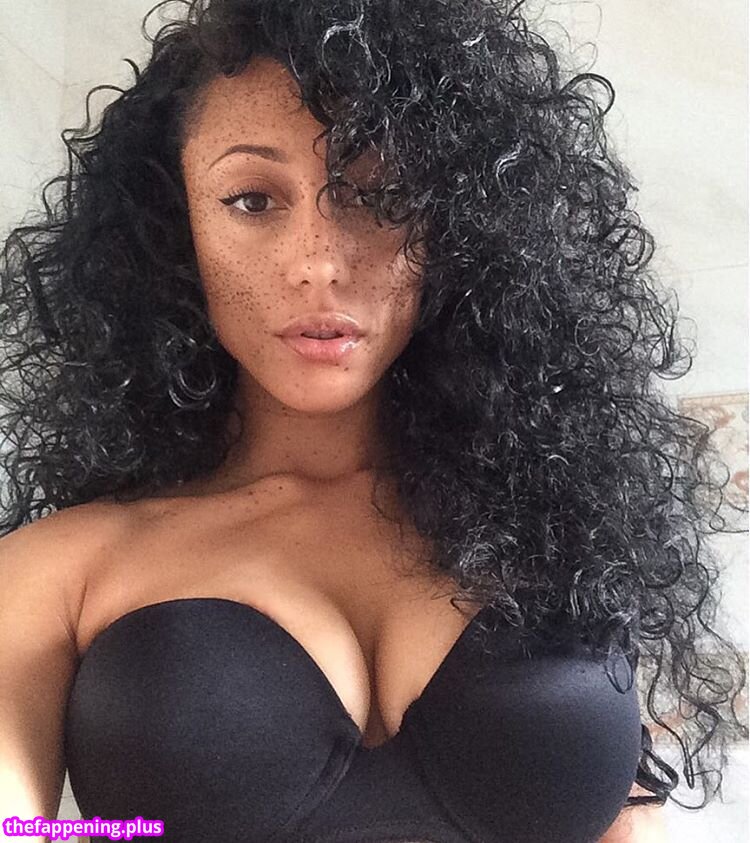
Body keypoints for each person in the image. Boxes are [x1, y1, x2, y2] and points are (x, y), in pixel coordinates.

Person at [0, 1, 746, 841]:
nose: (319, 261)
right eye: (252, 199)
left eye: (381, 195)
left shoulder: (559, 531)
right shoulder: (55, 577)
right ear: (175, 233)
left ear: (459, 228)